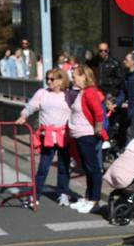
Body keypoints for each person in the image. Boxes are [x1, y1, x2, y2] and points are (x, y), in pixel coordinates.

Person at [15, 68, 74, 205]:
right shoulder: (42, 93)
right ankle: (35, 196)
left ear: (61, 80)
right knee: (43, 167)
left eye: (52, 79)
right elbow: (31, 106)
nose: (49, 81)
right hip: (46, 134)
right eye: (47, 78)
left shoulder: (69, 95)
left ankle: (63, 193)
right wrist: (23, 116)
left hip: (64, 135)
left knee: (63, 166)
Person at [68, 64, 109, 214]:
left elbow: (98, 112)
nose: (73, 79)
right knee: (87, 168)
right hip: (79, 135)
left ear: (84, 76)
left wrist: (98, 128)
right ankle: (88, 197)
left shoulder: (90, 91)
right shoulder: (81, 92)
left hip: (87, 135)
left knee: (93, 168)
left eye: (75, 76)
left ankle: (94, 200)